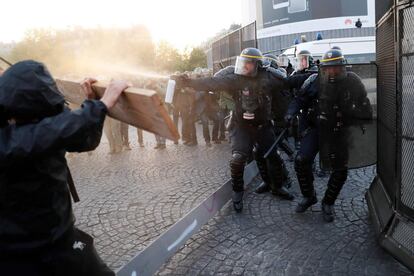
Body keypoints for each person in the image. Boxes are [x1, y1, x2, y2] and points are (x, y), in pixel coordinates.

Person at [0, 60, 129, 275]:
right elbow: (40, 135)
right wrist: (100, 105)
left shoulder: (45, 123)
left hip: (60, 240)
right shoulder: (16, 135)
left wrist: (91, 101)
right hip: (16, 256)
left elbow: (82, 140)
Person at [173, 48, 294, 213]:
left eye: (248, 63)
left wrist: (286, 116)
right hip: (241, 126)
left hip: (263, 126)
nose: (244, 66)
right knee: (238, 159)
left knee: (272, 156)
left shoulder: (269, 77)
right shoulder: (236, 79)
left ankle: (276, 186)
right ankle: (237, 192)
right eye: (243, 62)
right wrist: (188, 82)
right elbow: (212, 83)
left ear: (257, 65)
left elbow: (288, 85)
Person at [284, 49, 373, 222]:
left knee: (340, 169)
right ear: (323, 68)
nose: (332, 71)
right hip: (317, 128)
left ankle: (328, 202)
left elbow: (364, 103)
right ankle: (309, 196)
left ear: (342, 66)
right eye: (328, 68)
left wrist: (360, 116)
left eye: (336, 67)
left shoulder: (352, 81)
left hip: (339, 130)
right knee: (302, 160)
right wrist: (290, 113)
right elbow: (299, 100)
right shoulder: (314, 80)